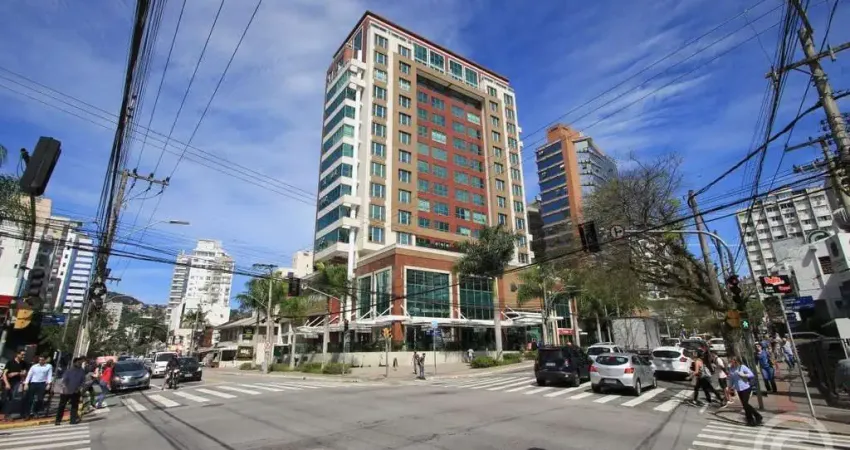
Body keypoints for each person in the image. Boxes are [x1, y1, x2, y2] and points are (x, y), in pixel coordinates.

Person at [728, 356, 762, 427]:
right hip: (739, 389)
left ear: (736, 361)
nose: (731, 362)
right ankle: (750, 420)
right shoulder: (731, 369)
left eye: (732, 361)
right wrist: (729, 387)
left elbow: (751, 374)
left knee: (745, 404)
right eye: (730, 361)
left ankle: (757, 416)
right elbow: (731, 380)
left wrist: (744, 374)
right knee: (744, 405)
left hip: (746, 388)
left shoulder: (742, 367)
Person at [55, 357, 86, 426]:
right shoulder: (69, 371)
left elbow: (83, 381)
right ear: (74, 363)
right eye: (78, 363)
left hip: (75, 391)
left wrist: (79, 388)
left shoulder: (82, 371)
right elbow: (64, 380)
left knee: (74, 406)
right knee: (62, 406)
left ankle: (73, 420)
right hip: (66, 391)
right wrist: (65, 388)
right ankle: (58, 420)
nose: (80, 364)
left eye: (81, 363)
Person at [23, 355, 53, 419]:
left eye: (42, 360)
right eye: (39, 360)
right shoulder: (34, 366)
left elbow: (49, 375)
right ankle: (27, 414)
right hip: (33, 383)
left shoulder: (49, 366)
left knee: (40, 399)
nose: (40, 361)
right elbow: (29, 375)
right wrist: (26, 383)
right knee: (30, 399)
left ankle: (35, 412)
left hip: (42, 384)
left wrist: (49, 384)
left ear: (45, 360)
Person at [1, 349, 29, 420]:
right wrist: (7, 383)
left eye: (24, 355)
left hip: (16, 383)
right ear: (17, 354)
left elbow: (24, 373)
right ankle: (3, 414)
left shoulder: (24, 363)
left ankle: (7, 415)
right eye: (22, 354)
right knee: (4, 398)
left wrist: (16, 373)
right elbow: (5, 374)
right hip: (7, 382)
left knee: (11, 399)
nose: (23, 356)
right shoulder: (10, 362)